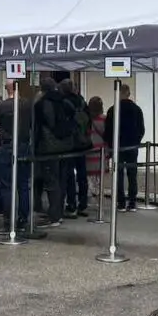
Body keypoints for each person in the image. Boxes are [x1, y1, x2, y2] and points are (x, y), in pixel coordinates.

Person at [34, 77, 76, 228]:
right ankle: (59, 212)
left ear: (42, 88)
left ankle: (54, 217)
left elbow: (38, 128)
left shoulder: (40, 104)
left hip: (48, 148)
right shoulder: (66, 102)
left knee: (51, 182)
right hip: (67, 146)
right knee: (62, 180)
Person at [0, 80, 33, 234]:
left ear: (6, 88)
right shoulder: (28, 104)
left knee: (6, 185)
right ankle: (23, 220)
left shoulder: (2, 106)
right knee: (23, 185)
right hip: (23, 145)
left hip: (7, 146)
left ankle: (8, 221)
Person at [104, 84, 146, 212]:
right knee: (132, 174)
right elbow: (141, 129)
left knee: (118, 174)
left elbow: (108, 131)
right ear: (128, 94)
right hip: (132, 146)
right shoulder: (137, 109)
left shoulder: (113, 110)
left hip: (118, 147)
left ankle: (121, 202)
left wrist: (111, 145)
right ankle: (132, 202)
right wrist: (136, 141)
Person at [60, 79, 91, 218]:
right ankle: (83, 204)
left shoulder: (63, 103)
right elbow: (88, 121)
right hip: (82, 142)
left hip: (69, 143)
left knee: (69, 175)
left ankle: (71, 204)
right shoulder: (82, 102)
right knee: (82, 173)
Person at [86, 96, 107, 198]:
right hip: (101, 152)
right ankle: (99, 196)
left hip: (88, 151)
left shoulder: (86, 119)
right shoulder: (104, 119)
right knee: (99, 177)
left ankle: (90, 194)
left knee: (89, 177)